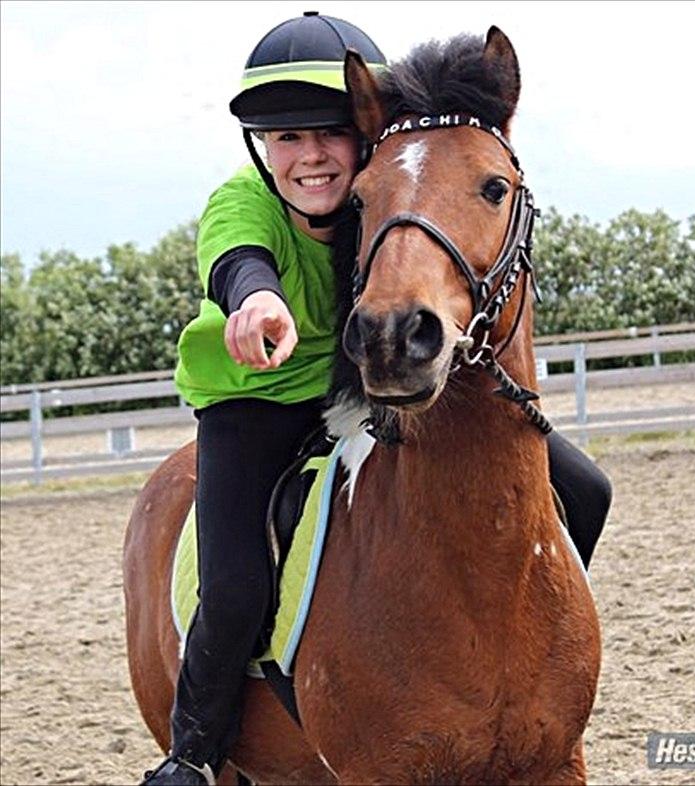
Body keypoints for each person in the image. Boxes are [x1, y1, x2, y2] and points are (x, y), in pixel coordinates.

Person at [142, 12, 610, 784]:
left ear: (364, 131)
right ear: (262, 150)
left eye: (328, 131)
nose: (310, 155)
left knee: (588, 486)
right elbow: (239, 261)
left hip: (368, 383)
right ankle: (191, 753)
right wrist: (256, 299)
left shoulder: (393, 188)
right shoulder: (243, 202)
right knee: (232, 583)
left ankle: (527, 646)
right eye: (284, 139)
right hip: (257, 400)